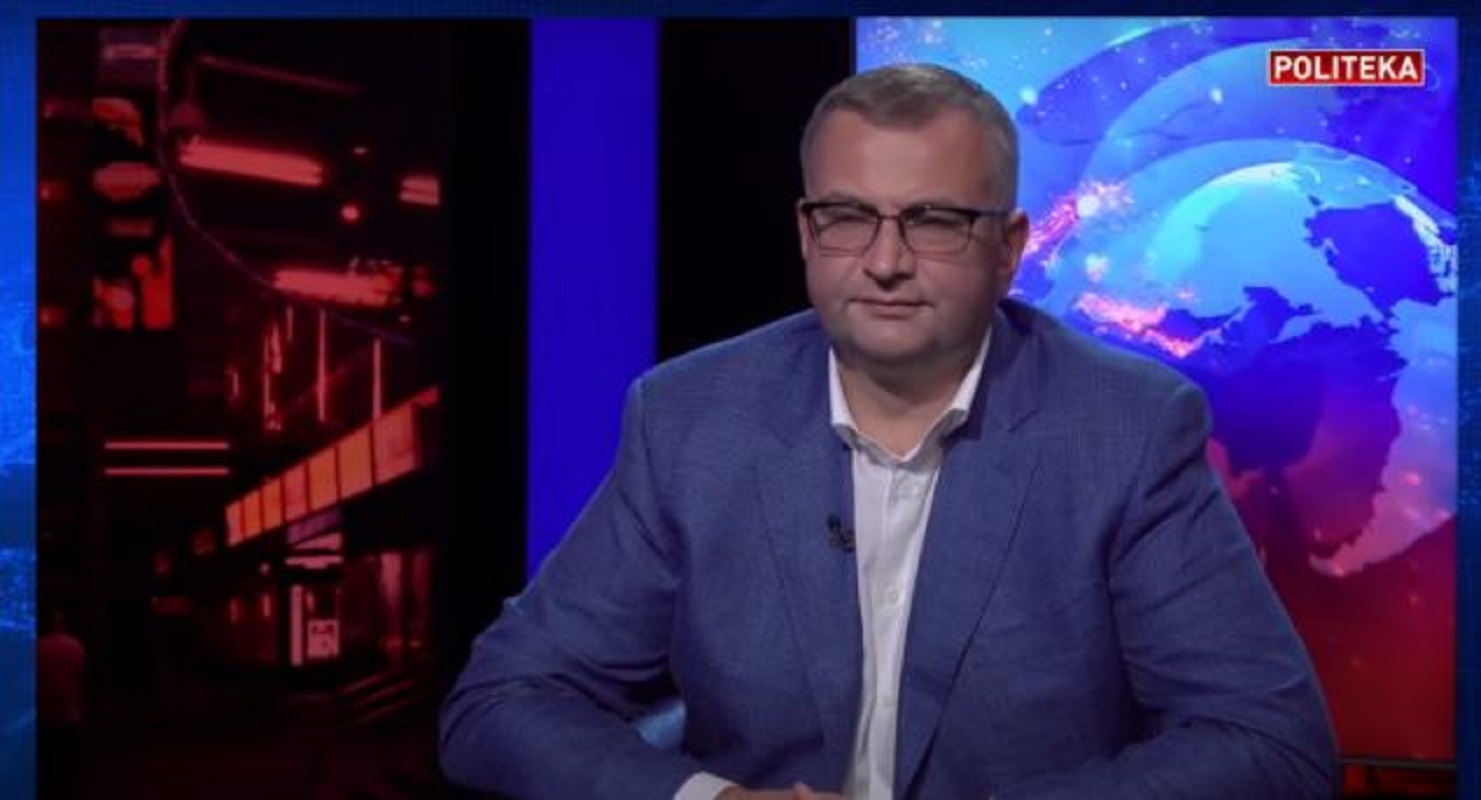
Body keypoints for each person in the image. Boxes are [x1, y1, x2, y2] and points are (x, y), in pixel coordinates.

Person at [440, 63, 1338, 800]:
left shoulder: (1126, 430)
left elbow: (1270, 744)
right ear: (806, 233)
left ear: (1008, 248)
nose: (883, 262)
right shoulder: (691, 418)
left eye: (933, 222)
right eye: (846, 217)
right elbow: (500, 703)